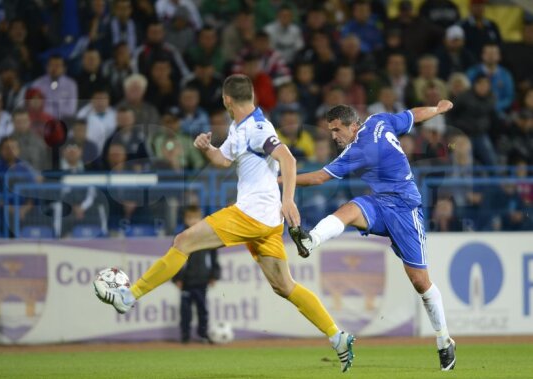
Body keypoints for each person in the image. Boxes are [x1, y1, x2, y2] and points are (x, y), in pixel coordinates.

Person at [93, 74, 356, 373]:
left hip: (251, 214)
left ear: (226, 100)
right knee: (284, 286)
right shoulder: (240, 127)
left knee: (183, 242)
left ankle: (129, 296)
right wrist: (207, 148)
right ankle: (338, 336)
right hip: (265, 221)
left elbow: (289, 160)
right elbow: (223, 160)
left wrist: (288, 199)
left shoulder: (258, 128)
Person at [285, 102, 456, 371]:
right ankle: (310, 240)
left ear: (353, 126)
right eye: (330, 130)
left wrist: (282, 181)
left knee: (420, 282)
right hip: (379, 203)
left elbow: (319, 178)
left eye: (336, 130)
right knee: (350, 209)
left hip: (405, 209)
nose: (333, 136)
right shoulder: (379, 120)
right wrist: (436, 109)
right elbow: (412, 115)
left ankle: (444, 340)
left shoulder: (359, 149)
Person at [173, 205, 221, 344]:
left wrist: (213, 275)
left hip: (202, 280)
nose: (193, 221)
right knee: (185, 311)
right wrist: (177, 278)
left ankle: (202, 334)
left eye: (195, 218)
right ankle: (185, 336)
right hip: (186, 281)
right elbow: (174, 259)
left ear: (200, 218)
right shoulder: (180, 238)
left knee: (202, 309)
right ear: (185, 219)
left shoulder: (206, 237)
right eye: (190, 218)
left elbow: (213, 258)